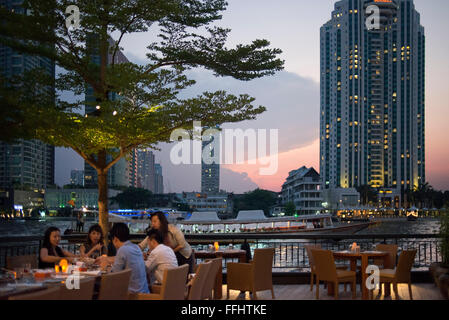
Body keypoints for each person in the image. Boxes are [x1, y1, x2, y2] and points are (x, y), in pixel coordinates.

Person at [95, 223, 149, 294]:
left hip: (132, 295)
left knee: (95, 287)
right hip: (144, 293)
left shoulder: (122, 250)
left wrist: (105, 266)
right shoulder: (136, 247)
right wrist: (108, 262)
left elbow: (114, 277)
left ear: (115, 239)